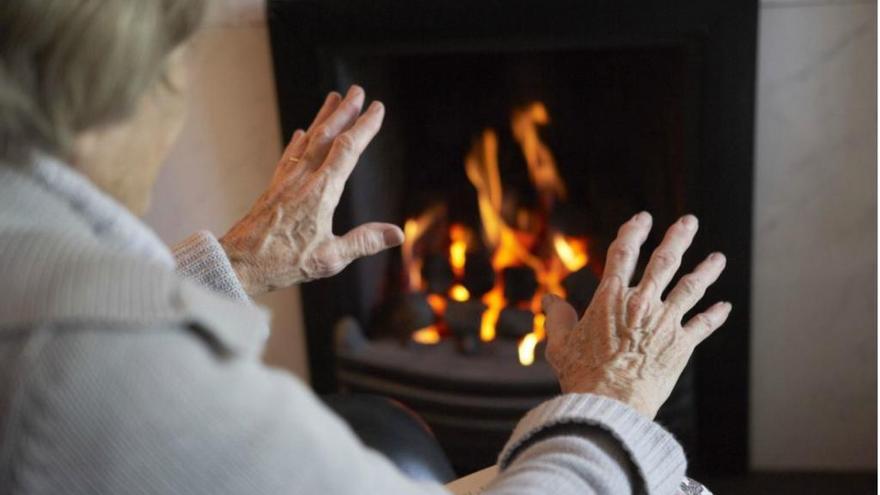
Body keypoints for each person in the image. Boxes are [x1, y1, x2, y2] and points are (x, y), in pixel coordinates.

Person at [0, 1, 731, 494]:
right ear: (114, 97)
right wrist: (612, 400)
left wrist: (234, 267)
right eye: (178, 69)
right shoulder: (91, 369)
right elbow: (114, 367)